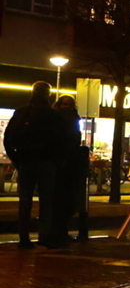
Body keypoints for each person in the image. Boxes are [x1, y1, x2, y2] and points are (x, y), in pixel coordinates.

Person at [2, 82, 65, 249]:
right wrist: (57, 161)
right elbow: (61, 141)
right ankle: (44, 236)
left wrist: (16, 159)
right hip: (46, 162)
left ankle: (24, 237)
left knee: (25, 200)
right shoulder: (52, 115)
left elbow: (8, 138)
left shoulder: (22, 112)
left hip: (26, 161)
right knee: (46, 200)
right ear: (48, 94)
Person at [48, 95, 83, 247]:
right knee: (58, 200)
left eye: (69, 104)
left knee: (67, 201)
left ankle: (60, 231)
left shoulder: (73, 119)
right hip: (59, 164)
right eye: (64, 104)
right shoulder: (56, 119)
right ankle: (56, 232)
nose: (66, 107)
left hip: (69, 165)